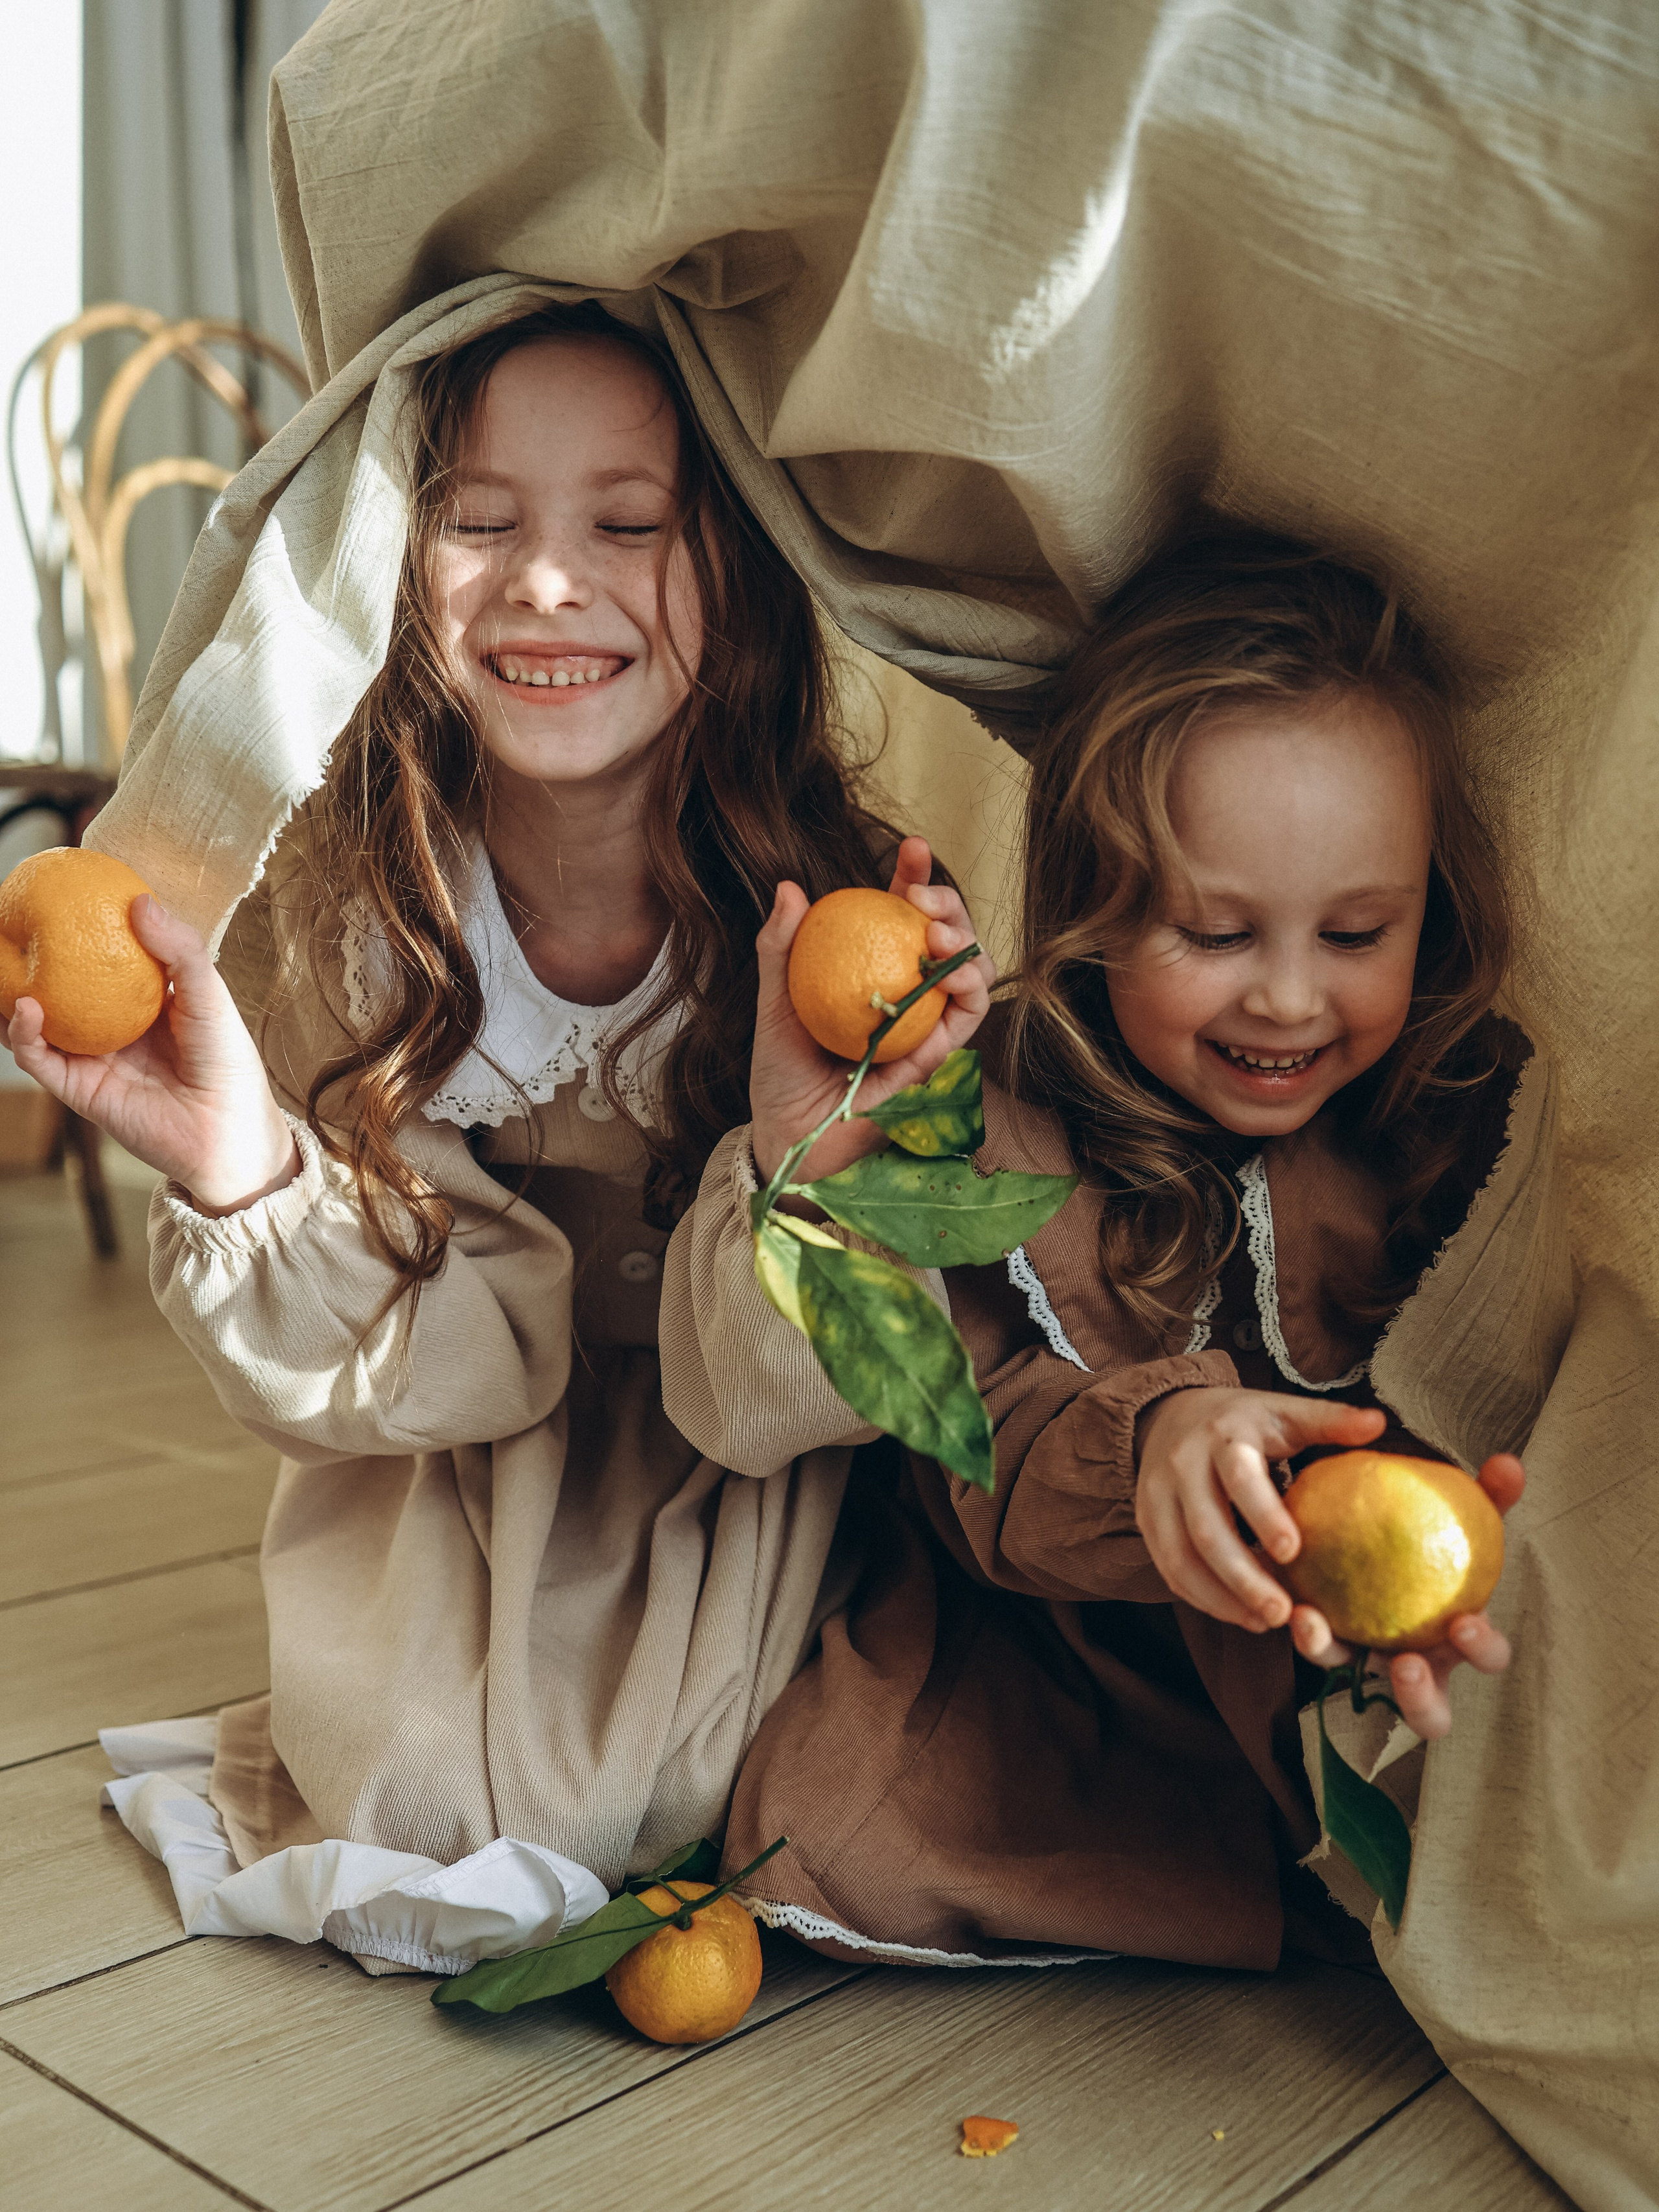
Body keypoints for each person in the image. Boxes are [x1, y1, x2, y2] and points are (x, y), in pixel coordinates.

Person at [6, 301, 993, 1921]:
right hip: (450, 1430)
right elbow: (415, 1349)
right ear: (393, 564)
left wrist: (824, 1145)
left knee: (692, 1791)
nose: (545, 582)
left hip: (728, 1441)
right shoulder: (357, 917)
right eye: (477, 523)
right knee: (422, 1786)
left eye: (626, 524)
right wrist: (248, 1171)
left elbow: (772, 1401)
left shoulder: (831, 914)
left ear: (734, 578)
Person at [708, 530, 1533, 1970]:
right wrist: (1160, 1441)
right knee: (829, 1820)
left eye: (1354, 932)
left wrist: (1463, 1506)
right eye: (1213, 931)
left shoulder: (1455, 1115)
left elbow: (1491, 1379)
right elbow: (982, 1432)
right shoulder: (1012, 1115)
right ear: (1094, 903)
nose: (1285, 998)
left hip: (1338, 1638)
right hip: (1079, 1663)